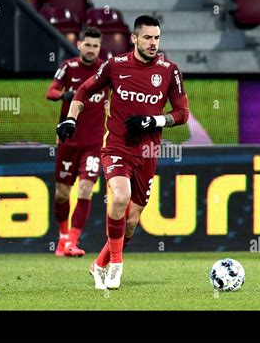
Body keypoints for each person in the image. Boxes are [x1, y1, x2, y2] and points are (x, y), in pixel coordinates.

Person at [56, 15, 190, 289]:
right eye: (148, 38)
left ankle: (100, 264)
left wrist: (155, 120)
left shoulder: (169, 70)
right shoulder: (115, 66)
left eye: (157, 38)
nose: (153, 43)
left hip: (149, 152)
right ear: (134, 38)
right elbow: (82, 91)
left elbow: (182, 113)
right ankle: (117, 264)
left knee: (131, 221)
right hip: (117, 146)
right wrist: (71, 118)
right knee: (120, 197)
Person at [47, 27, 107, 257]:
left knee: (85, 189)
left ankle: (72, 241)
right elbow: (50, 91)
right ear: (79, 44)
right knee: (62, 194)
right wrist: (63, 95)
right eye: (87, 44)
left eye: (95, 45)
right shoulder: (69, 67)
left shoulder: (105, 70)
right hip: (68, 142)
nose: (91, 49)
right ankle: (62, 238)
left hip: (93, 143)